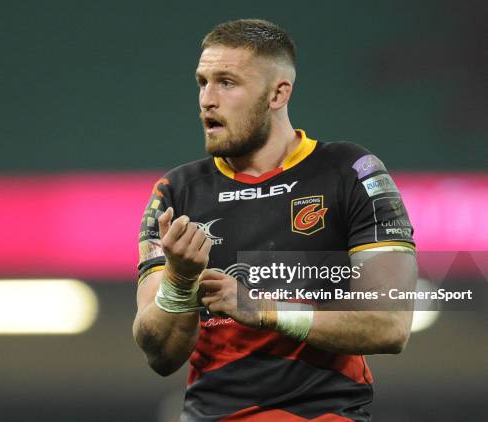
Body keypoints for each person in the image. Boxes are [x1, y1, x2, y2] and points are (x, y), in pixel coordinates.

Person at [132, 19, 417, 421]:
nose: (207, 99)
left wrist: (263, 309)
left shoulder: (351, 172)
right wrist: (179, 283)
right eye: (202, 82)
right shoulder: (176, 192)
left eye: (227, 82)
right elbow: (158, 354)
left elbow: (391, 326)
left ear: (278, 93)